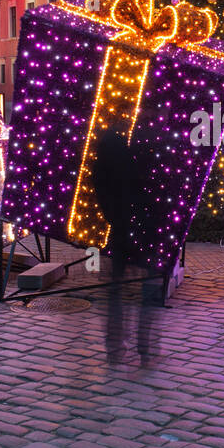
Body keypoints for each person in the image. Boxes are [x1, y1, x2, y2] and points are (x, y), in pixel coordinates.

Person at [93, 128, 155, 365]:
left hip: (119, 233)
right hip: (143, 232)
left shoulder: (101, 171)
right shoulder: (133, 164)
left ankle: (115, 346)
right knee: (146, 290)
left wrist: (116, 219)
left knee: (116, 291)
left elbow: (105, 202)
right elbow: (142, 195)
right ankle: (144, 346)